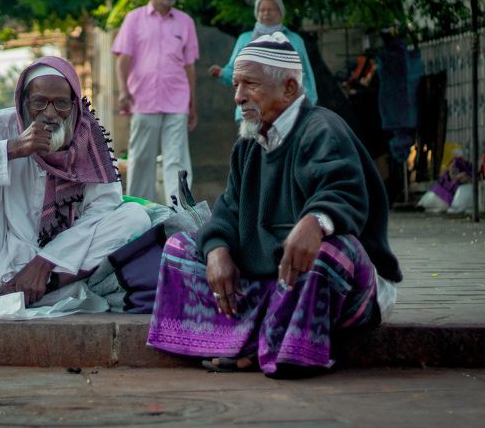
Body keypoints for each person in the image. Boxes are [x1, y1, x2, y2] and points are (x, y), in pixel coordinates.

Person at [147, 32, 402, 377]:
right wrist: (216, 248)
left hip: (340, 288)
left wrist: (315, 222)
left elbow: (345, 192)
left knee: (329, 253)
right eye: (235, 86)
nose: (238, 97)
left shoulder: (321, 128)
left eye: (249, 85)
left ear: (290, 88)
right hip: (273, 282)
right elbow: (229, 210)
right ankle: (244, 340)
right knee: (178, 248)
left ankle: (284, 350)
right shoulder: (248, 145)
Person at [0, 56, 152, 306]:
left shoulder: (90, 141)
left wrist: (45, 262)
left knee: (135, 217)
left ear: (74, 105)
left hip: (58, 267)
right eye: (40, 102)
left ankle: (31, 292)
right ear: (24, 103)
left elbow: (103, 209)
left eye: (61, 103)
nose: (51, 113)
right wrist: (12, 148)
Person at [112, 0, 199, 204]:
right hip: (143, 99)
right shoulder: (134, 19)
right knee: (141, 160)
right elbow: (123, 59)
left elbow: (189, 66)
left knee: (177, 160)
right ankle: (140, 214)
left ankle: (181, 214)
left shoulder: (185, 22)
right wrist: (123, 91)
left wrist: (193, 104)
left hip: (177, 100)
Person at [209, 0, 318, 120]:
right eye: (262, 10)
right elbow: (235, 72)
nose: (266, 13)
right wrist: (221, 73)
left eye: (270, 9)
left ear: (280, 12)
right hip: (252, 109)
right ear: (256, 13)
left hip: (286, 111)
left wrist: (309, 103)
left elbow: (305, 75)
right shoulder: (244, 39)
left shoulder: (295, 40)